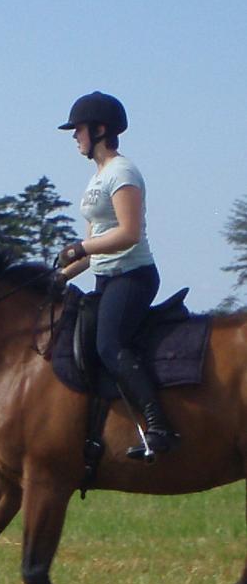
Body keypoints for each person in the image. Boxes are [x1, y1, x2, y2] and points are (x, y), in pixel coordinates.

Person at [54, 90, 177, 461]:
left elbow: (128, 233)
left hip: (133, 276)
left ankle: (159, 427)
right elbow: (94, 246)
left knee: (109, 344)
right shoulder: (98, 178)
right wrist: (60, 276)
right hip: (107, 277)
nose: (75, 136)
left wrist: (81, 248)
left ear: (100, 129)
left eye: (78, 129)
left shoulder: (123, 172)